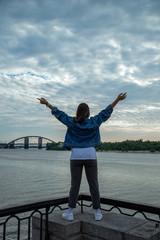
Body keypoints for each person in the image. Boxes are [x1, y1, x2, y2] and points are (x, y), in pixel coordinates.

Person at [37, 92, 127, 221]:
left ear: (78, 112)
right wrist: (117, 99)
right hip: (90, 155)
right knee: (94, 184)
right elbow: (106, 112)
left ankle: (70, 212)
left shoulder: (72, 122)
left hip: (76, 156)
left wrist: (47, 104)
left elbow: (59, 114)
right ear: (88, 112)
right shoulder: (94, 122)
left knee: (75, 185)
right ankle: (97, 212)